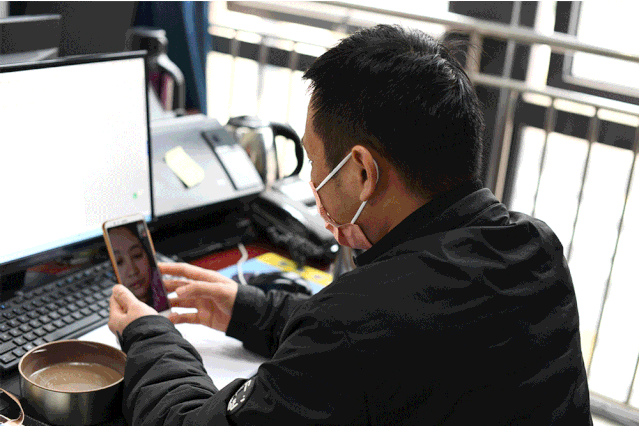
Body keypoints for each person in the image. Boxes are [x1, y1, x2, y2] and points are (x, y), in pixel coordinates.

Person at [108, 24, 593, 425]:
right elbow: (401, 341)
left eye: (314, 160)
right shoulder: (537, 249)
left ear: (362, 172)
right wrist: (251, 311)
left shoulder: (353, 325)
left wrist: (150, 335)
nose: (313, 181)